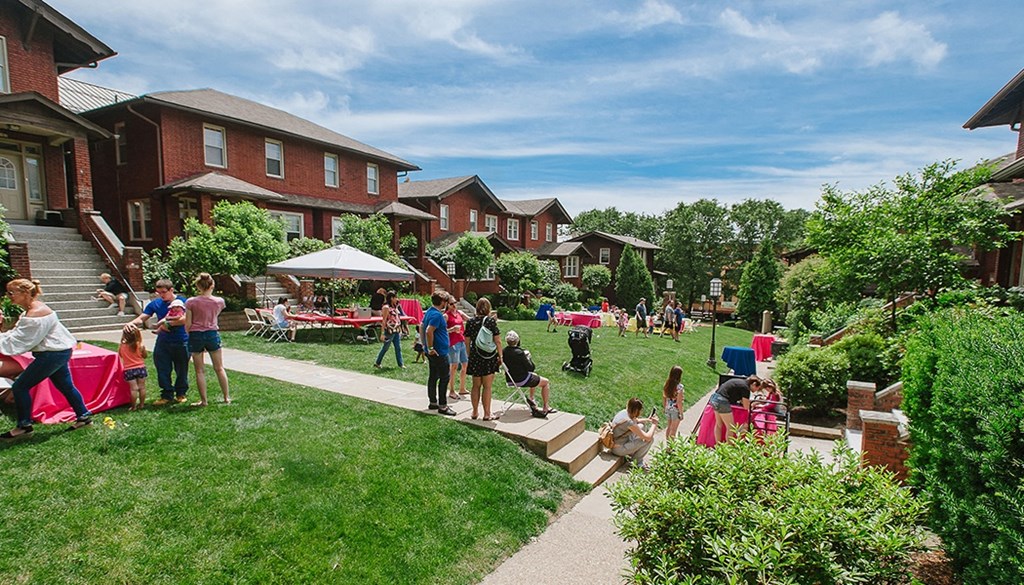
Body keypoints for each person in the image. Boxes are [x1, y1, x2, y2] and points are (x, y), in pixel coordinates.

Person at [0, 279, 94, 439]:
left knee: (20, 387)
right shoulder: (31, 311)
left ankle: (24, 426)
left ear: (25, 293)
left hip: (52, 355)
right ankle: (84, 417)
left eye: (11, 293)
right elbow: (16, 335)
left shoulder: (35, 314)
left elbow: (19, 341)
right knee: (66, 386)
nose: (8, 296)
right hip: (58, 352)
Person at [124, 279, 189, 406]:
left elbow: (186, 319)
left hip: (181, 341)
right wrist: (131, 323)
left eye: (164, 292)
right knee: (162, 369)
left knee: (181, 369)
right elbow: (143, 317)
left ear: (171, 290)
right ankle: (166, 394)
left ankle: (181, 393)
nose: (161, 295)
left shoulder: (183, 302)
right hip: (163, 342)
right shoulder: (156, 304)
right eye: (158, 292)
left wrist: (167, 324)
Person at [186, 272, 230, 406]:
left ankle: (204, 401)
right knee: (219, 367)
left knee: (199, 370)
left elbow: (188, 323)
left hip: (196, 334)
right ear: (212, 285)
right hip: (212, 333)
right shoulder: (219, 301)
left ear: (198, 286)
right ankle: (226, 397)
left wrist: (189, 335)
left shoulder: (191, 302)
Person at [502, 330, 556, 417]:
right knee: (545, 382)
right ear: (517, 340)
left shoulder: (503, 351)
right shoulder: (520, 353)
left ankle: (532, 398)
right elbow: (531, 368)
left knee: (533, 376)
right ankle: (546, 407)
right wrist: (528, 358)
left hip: (510, 380)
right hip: (521, 380)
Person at [464, 297, 502, 421]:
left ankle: (474, 412)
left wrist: (469, 355)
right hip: (488, 357)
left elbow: (467, 341)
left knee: (475, 386)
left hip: (475, 356)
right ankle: (487, 413)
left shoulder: (470, 322)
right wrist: (500, 356)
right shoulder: (491, 322)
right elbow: (498, 341)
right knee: (487, 387)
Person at [422, 292, 455, 416]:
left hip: (433, 351)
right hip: (439, 352)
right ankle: (443, 406)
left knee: (433, 376)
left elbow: (421, 327)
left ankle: (433, 402)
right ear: (442, 302)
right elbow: (428, 331)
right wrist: (430, 347)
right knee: (444, 378)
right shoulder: (437, 315)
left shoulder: (429, 312)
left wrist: (425, 346)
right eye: (446, 302)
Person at [710, 375, 763, 442]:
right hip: (723, 402)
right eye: (758, 388)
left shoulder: (739, 382)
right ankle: (729, 447)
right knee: (731, 427)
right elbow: (746, 406)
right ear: (754, 384)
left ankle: (718, 445)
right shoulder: (746, 388)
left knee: (719, 424)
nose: (756, 390)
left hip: (715, 398)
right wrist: (754, 404)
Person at [610, 397, 658, 470]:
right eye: (641, 410)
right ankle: (636, 462)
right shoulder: (628, 422)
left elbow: (637, 421)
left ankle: (633, 452)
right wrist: (654, 424)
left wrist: (648, 420)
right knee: (649, 441)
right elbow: (648, 437)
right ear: (636, 410)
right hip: (618, 449)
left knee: (641, 425)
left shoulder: (624, 412)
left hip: (617, 442)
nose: (641, 411)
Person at [445, 295, 468, 400]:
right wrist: (452, 329)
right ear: (447, 305)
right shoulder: (446, 316)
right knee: (453, 367)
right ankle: (452, 390)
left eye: (455, 303)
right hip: (453, 343)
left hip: (461, 341)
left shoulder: (459, 313)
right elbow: (441, 331)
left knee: (465, 364)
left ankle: (462, 388)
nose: (454, 305)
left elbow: (471, 319)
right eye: (451, 304)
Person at [119, 327, 148, 411]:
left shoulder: (122, 346)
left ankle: (133, 406)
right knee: (142, 387)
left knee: (133, 389)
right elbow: (145, 356)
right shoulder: (140, 345)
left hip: (129, 369)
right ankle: (142, 404)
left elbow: (121, 355)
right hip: (140, 368)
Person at [374, 291, 404, 369]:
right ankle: (377, 362)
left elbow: (397, 318)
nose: (397, 299)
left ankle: (401, 364)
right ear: (391, 298)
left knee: (398, 347)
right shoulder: (386, 307)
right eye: (395, 297)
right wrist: (382, 333)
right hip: (389, 330)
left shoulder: (395, 307)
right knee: (385, 348)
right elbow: (384, 320)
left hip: (396, 330)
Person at [662, 366, 684, 440]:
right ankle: (670, 447)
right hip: (675, 410)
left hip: (668, 408)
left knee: (669, 427)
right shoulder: (679, 387)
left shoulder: (667, 384)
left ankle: (667, 444)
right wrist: (681, 413)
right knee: (673, 429)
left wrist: (664, 407)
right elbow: (679, 402)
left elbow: (664, 397)